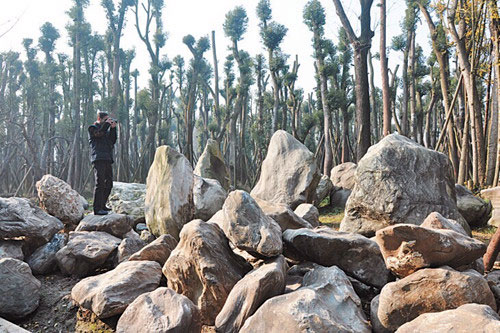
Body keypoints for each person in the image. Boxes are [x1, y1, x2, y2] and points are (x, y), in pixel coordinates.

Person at [88, 111, 117, 215]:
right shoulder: (93, 128)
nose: (107, 122)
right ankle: (97, 208)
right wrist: (106, 125)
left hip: (107, 158)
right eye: (106, 120)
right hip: (98, 158)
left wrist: (113, 128)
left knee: (109, 183)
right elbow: (98, 134)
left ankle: (102, 205)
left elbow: (112, 141)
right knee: (99, 183)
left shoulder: (106, 131)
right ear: (99, 119)